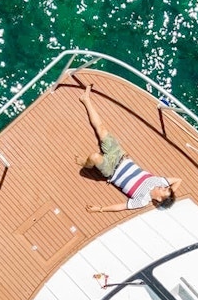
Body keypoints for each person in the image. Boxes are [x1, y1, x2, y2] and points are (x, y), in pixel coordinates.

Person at [74, 81, 182, 213]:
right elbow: (178, 180)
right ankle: (86, 100)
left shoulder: (142, 200)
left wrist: (100, 209)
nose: (163, 187)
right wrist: (170, 194)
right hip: (120, 156)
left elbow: (122, 206)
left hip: (111, 170)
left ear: (159, 199)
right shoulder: (159, 182)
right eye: (166, 187)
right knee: (101, 129)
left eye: (164, 190)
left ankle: (86, 164)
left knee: (94, 157)